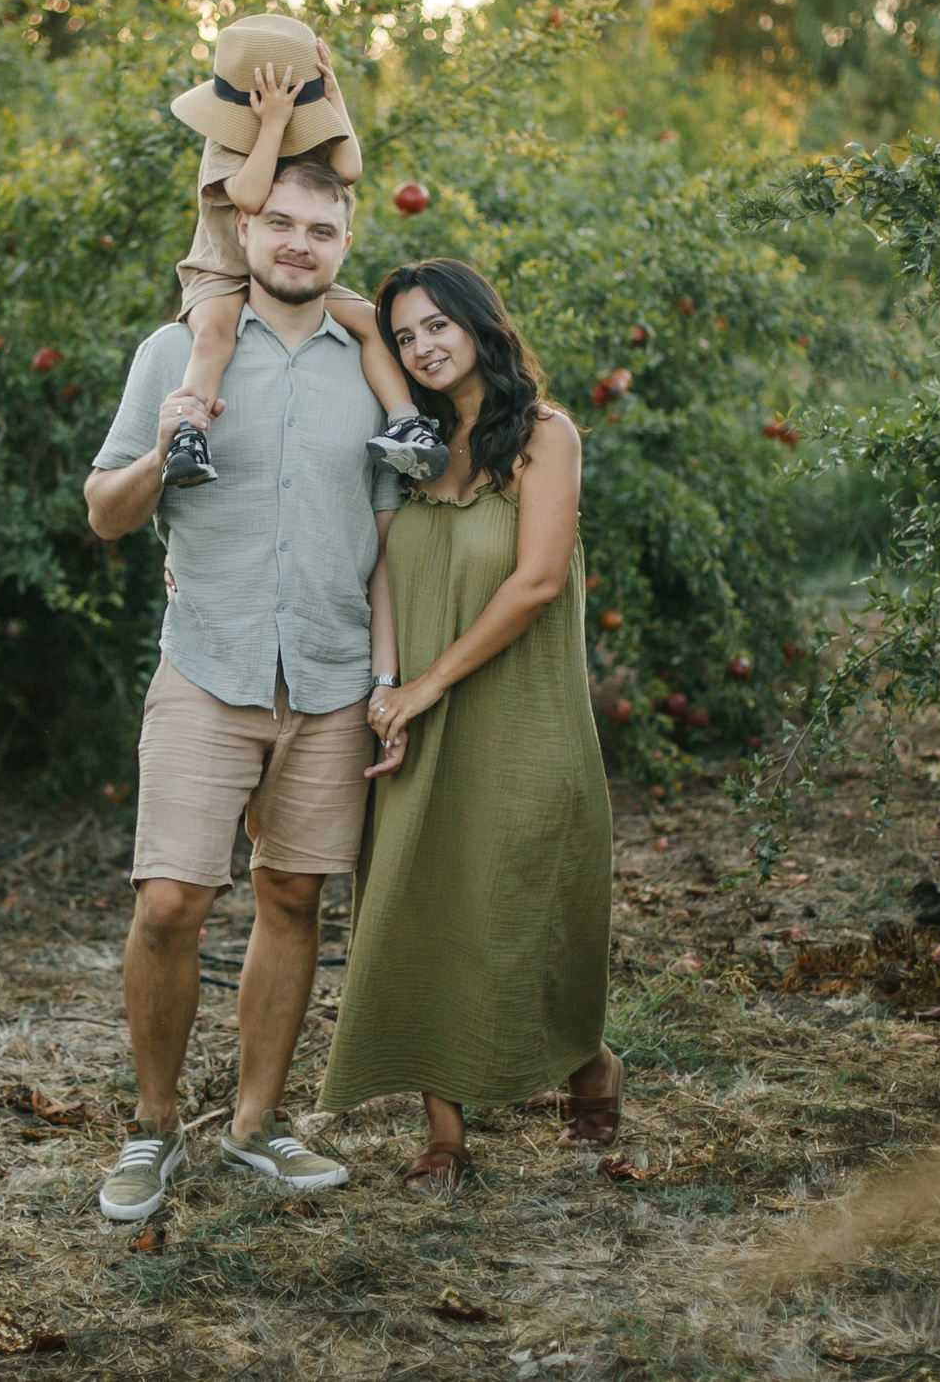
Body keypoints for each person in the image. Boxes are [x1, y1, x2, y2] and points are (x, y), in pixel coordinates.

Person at [82, 157, 406, 1223]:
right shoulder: (176, 349)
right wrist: (170, 458)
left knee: (294, 895)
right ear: (246, 232)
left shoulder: (377, 366)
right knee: (171, 901)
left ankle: (257, 1125)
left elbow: (397, 527)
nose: (300, 243)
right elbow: (105, 511)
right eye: (281, 224)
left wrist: (390, 676)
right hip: (208, 662)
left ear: (344, 242)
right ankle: (152, 1125)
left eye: (321, 228)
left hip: (329, 668)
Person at [315, 257, 620, 1192]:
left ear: (481, 324)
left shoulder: (543, 436)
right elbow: (383, 572)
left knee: (527, 903)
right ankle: (443, 1132)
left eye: (438, 325)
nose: (423, 346)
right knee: (415, 897)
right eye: (404, 334)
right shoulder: (405, 445)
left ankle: (588, 1063)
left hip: (523, 715)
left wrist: (427, 686)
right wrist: (386, 687)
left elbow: (534, 581)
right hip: (410, 710)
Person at [163, 12, 447, 487]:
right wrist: (271, 124)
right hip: (221, 272)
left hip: (291, 271)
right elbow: (251, 197)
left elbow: (349, 168)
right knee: (214, 336)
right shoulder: (226, 140)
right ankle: (188, 434)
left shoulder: (303, 138)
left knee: (372, 324)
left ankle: (406, 424)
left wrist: (332, 100)